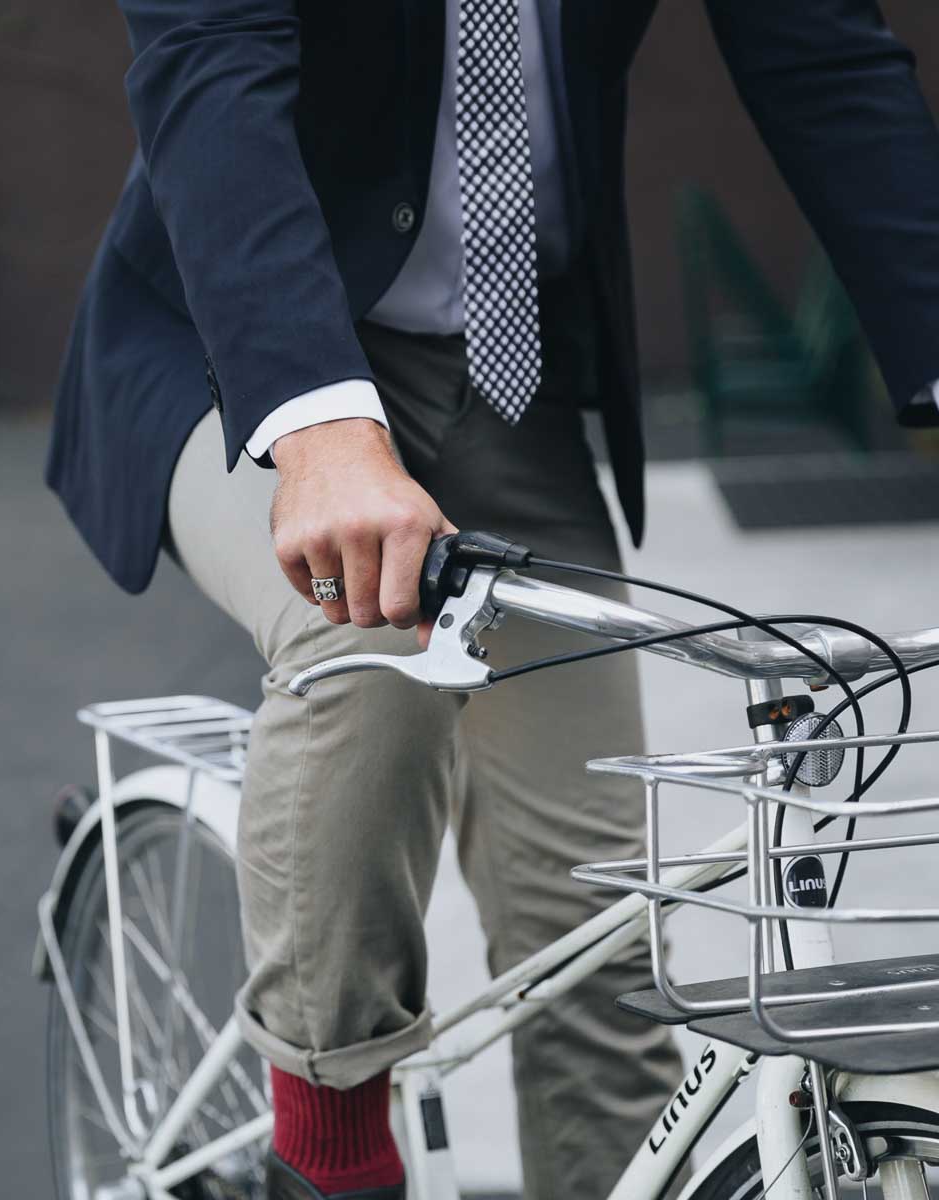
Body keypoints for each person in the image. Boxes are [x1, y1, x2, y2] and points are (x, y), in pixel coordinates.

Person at [46, 2, 939, 1196]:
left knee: (599, 922)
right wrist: (321, 424)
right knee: (361, 639)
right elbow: (209, 61)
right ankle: (331, 1139)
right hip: (247, 351)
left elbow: (820, 49)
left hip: (517, 384)